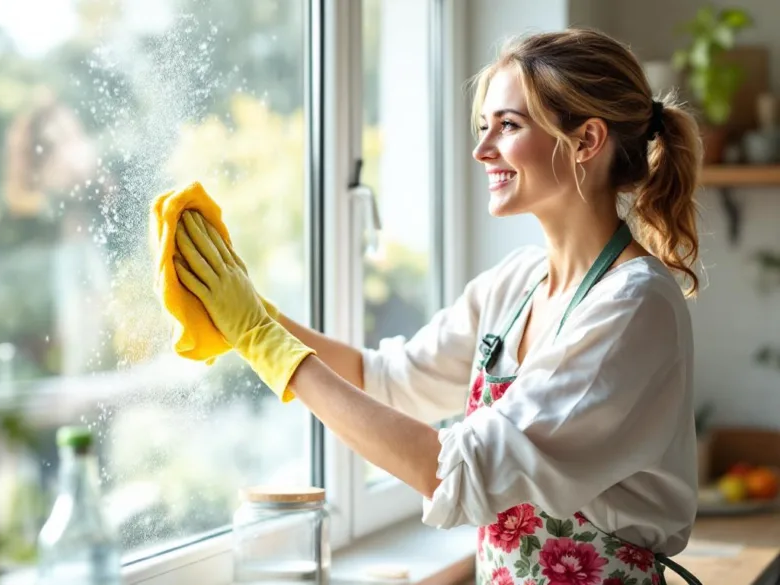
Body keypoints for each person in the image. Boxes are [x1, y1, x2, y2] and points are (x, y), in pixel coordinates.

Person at [169, 28, 704, 585]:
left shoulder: (633, 305)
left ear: (586, 140)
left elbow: (451, 470)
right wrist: (253, 315)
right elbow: (383, 380)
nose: (481, 150)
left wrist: (263, 339)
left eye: (509, 125)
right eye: (483, 127)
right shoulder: (515, 285)